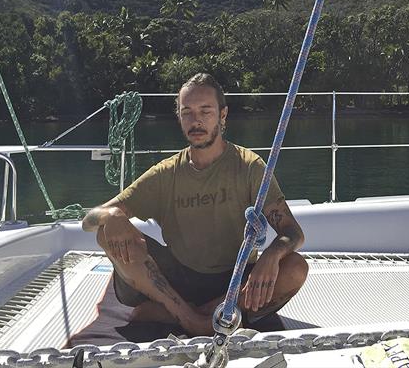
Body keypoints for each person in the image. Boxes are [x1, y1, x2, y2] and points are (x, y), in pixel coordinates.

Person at [82, 73, 308, 335]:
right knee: (105, 231)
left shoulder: (250, 168)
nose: (196, 120)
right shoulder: (165, 174)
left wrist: (272, 255)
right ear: (179, 117)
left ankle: (180, 315)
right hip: (177, 281)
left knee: (295, 268)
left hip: (232, 280)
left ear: (223, 115)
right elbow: (90, 219)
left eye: (205, 111)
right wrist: (112, 216)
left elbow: (293, 233)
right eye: (187, 112)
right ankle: (188, 316)